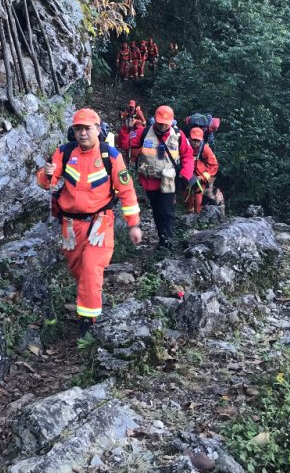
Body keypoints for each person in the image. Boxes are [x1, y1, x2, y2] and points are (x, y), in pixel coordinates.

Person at [37, 108, 142, 335]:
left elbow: (126, 190)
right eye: (78, 128)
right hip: (70, 226)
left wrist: (133, 224)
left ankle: (88, 325)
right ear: (72, 130)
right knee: (79, 270)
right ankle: (89, 299)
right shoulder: (64, 153)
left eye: (87, 128)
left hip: (100, 223)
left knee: (91, 269)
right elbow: (47, 183)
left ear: (98, 129)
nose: (83, 133)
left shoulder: (110, 156)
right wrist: (46, 173)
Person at [128, 105, 195, 249]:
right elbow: (125, 142)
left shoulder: (178, 135)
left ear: (171, 122)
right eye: (160, 122)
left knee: (166, 211)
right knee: (157, 210)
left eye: (166, 123)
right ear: (155, 119)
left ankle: (167, 242)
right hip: (149, 181)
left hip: (168, 180)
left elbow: (188, 156)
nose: (163, 125)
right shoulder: (144, 132)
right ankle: (162, 238)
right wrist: (125, 127)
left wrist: (185, 175)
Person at [185, 127, 219, 214]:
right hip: (187, 175)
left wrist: (202, 177)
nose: (195, 143)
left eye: (198, 141)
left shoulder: (205, 149)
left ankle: (198, 217)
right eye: (193, 140)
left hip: (201, 177)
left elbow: (214, 166)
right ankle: (189, 214)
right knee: (187, 196)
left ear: (202, 140)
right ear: (189, 138)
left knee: (198, 197)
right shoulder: (184, 146)